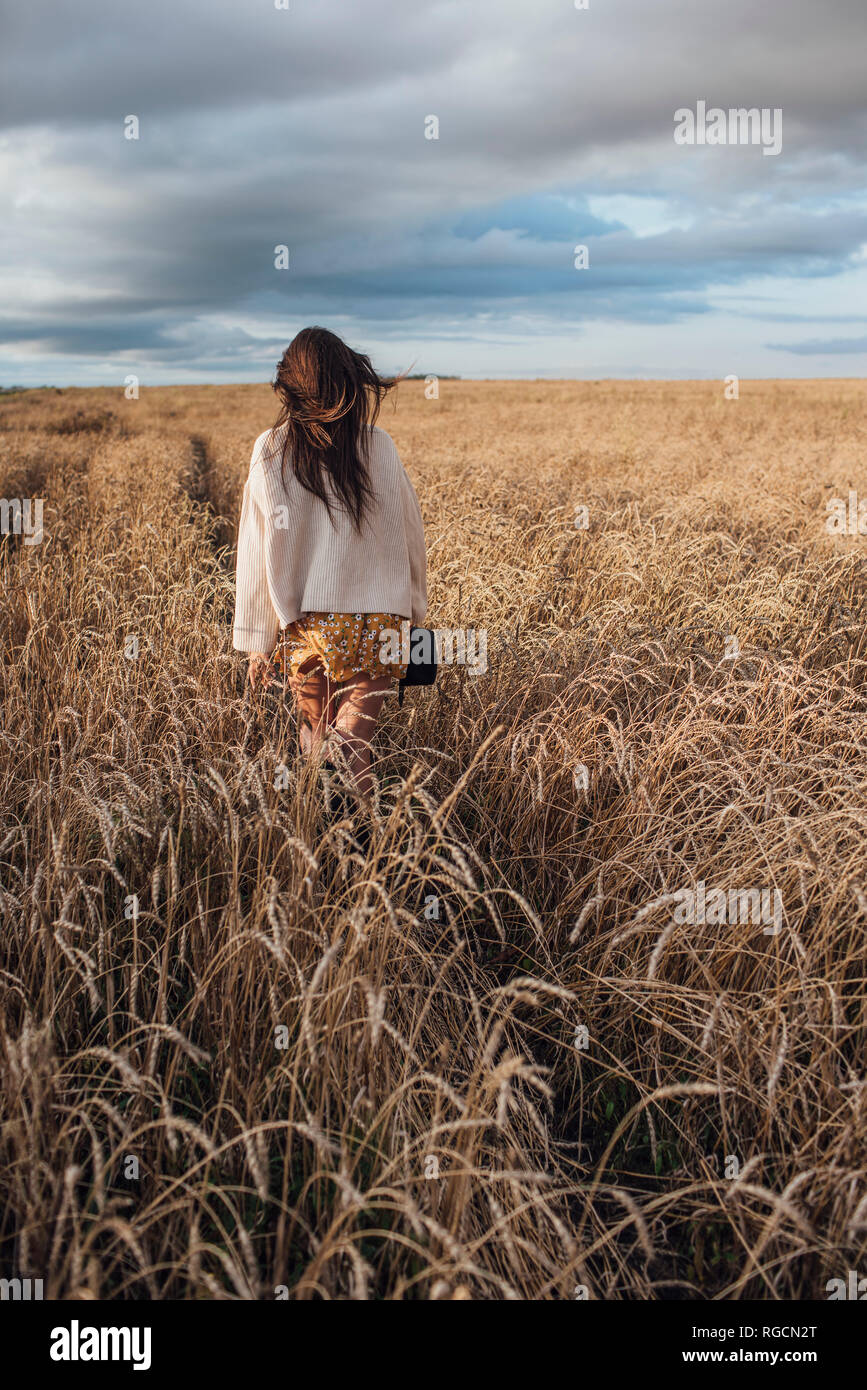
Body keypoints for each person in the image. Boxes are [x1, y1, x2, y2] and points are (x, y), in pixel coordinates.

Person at [233, 327, 427, 801]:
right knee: (353, 747)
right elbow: (411, 532)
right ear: (349, 382)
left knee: (316, 739)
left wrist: (258, 641)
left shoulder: (270, 449)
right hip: (379, 619)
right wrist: (416, 612)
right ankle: (370, 850)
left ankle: (322, 844)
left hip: (307, 625)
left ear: (290, 387)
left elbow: (256, 550)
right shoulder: (378, 445)